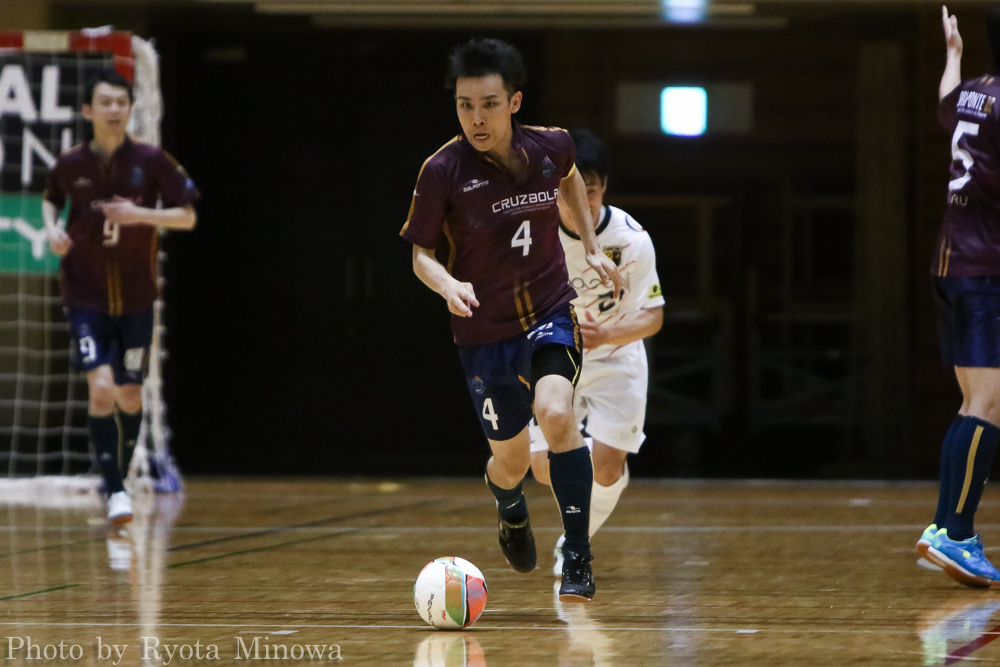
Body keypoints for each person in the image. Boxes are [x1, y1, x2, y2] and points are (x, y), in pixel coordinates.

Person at [400, 38, 622, 601]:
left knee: (557, 413)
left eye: (489, 104)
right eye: (465, 105)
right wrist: (448, 283)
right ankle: (509, 505)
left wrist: (590, 244)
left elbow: (569, 176)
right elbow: (421, 255)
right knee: (512, 462)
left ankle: (578, 555)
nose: (477, 118)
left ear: (515, 102)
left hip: (550, 311)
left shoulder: (551, 145)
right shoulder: (442, 170)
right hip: (484, 334)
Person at [43, 70, 200, 525]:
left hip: (135, 298)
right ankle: (114, 491)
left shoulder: (151, 160)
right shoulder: (71, 163)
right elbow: (52, 198)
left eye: (121, 103)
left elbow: (187, 217)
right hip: (84, 295)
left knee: (130, 395)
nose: (114, 110)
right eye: (105, 102)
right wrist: (53, 229)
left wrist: (140, 215)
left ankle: (121, 476)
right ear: (88, 111)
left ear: (130, 109)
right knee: (101, 389)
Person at [528, 129, 664, 575]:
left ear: (604, 187)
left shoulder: (631, 240)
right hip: (555, 357)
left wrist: (605, 335)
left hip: (615, 358)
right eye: (572, 190)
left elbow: (653, 316)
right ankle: (595, 463)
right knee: (543, 469)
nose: (582, 202)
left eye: (591, 190)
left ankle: (575, 543)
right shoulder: (537, 236)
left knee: (604, 471)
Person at [918, 5, 1000, 588]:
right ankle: (957, 534)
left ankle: (945, 528)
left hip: (952, 264)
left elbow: (946, 104)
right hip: (985, 270)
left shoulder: (975, 93)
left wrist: (953, 55)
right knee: (987, 405)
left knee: (974, 402)